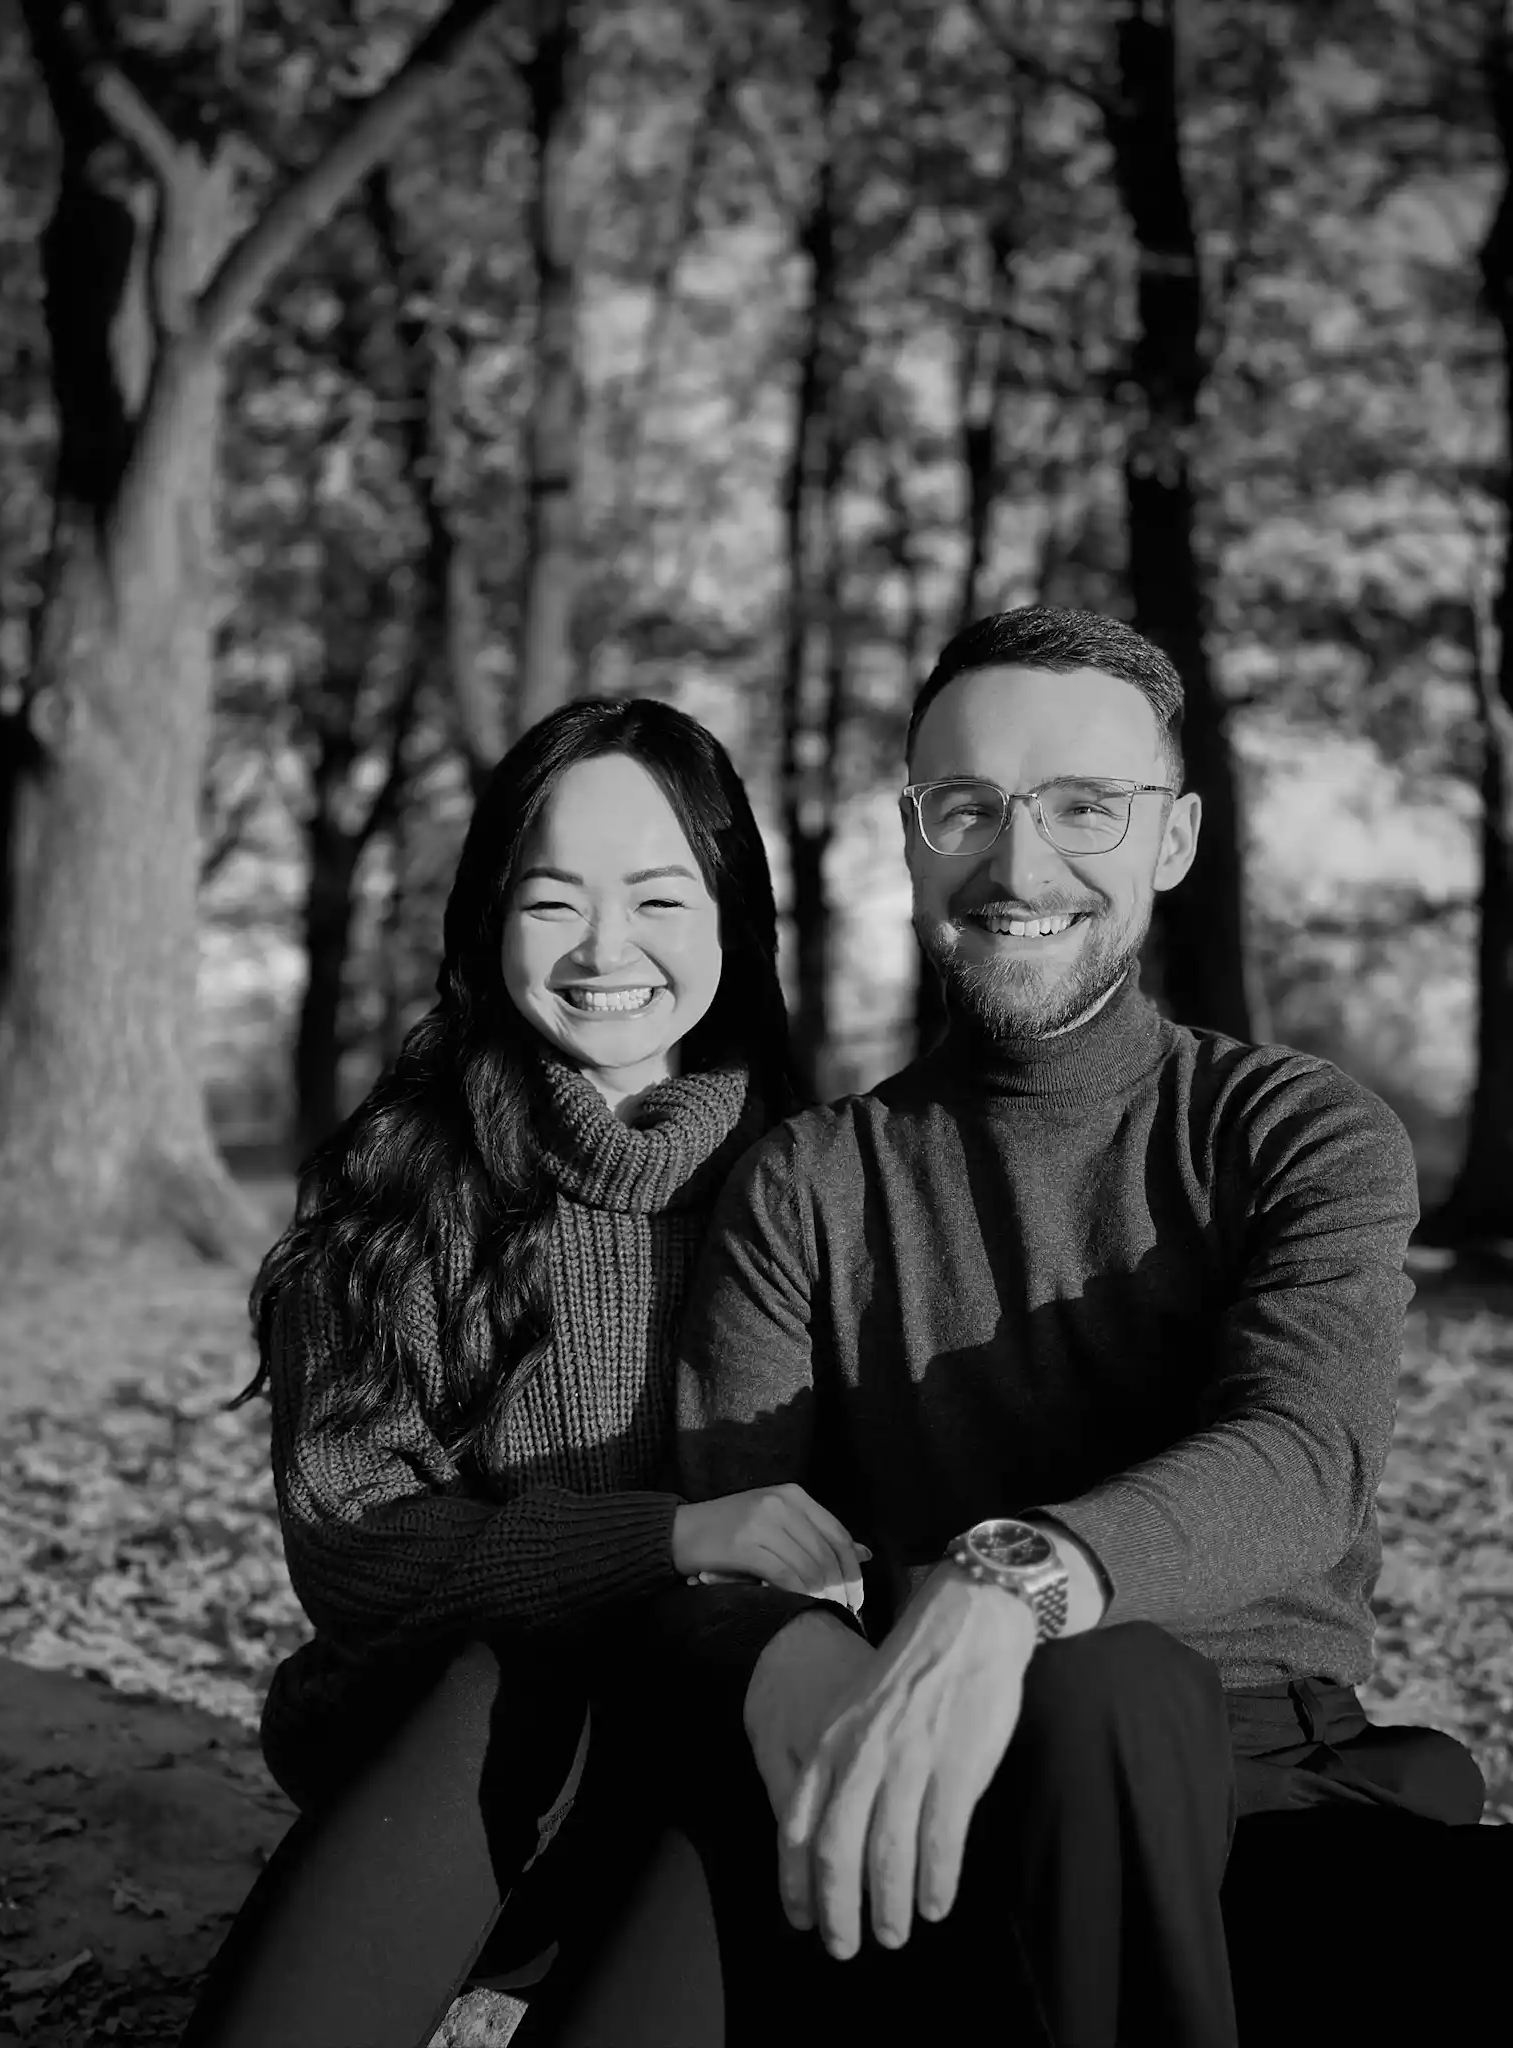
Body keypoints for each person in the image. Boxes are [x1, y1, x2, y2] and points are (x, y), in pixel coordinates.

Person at [619, 605, 1503, 2048]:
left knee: (1112, 1678)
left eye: (1087, 806)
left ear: (1174, 838)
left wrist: (1008, 1578)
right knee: (1082, 1695)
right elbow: (743, 1552)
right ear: (914, 840)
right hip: (948, 1803)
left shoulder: (1296, 1132)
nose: (1021, 867)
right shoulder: (808, 1181)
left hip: (1271, 1785)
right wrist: (802, 1650)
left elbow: (1304, 1454)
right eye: (968, 807)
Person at [176, 697, 870, 2048]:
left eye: (659, 899)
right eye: (554, 901)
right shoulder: (404, 1188)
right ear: (490, 920)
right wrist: (667, 1537)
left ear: (733, 919)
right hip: (459, 1769)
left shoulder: (827, 1186)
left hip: (715, 1778)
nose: (606, 949)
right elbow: (354, 1548)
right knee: (511, 1666)